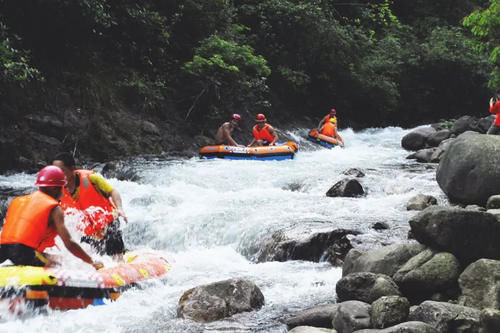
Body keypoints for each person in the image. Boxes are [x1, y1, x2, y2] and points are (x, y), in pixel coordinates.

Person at [0, 166, 103, 269]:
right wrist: (91, 262)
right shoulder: (55, 209)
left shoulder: (18, 201)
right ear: (54, 189)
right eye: (63, 188)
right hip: (23, 254)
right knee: (58, 263)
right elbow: (69, 243)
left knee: (56, 257)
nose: (63, 193)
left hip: (2, 252)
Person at [52, 152, 127, 257]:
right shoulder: (57, 191)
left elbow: (113, 192)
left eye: (62, 171)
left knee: (115, 254)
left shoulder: (91, 178)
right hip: (88, 232)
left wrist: (120, 209)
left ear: (72, 169)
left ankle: (119, 258)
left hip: (108, 224)